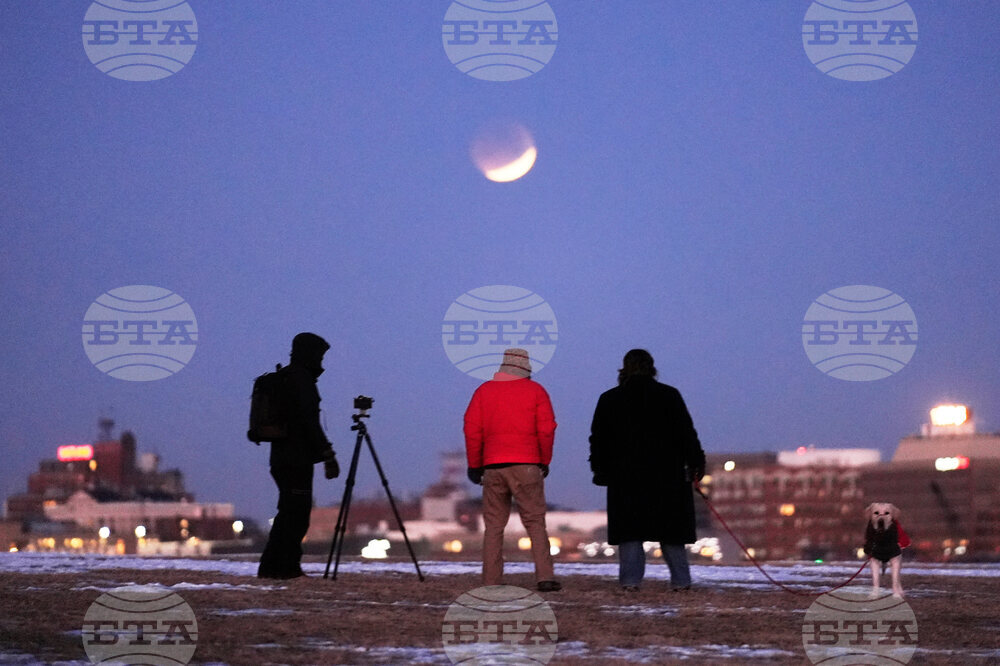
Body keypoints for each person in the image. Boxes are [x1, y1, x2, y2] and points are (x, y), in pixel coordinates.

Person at [589, 349, 706, 592]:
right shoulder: (669, 395)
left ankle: (630, 583)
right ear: (652, 367)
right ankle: (681, 582)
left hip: (625, 476)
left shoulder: (610, 399)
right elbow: (687, 434)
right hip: (668, 474)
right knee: (672, 531)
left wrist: (600, 470)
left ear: (625, 368)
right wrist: (696, 464)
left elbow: (599, 440)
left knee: (630, 532)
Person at [464, 348, 561, 592]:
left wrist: (475, 465)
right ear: (526, 368)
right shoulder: (536, 391)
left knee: (494, 526)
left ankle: (491, 579)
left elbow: (472, 430)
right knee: (535, 522)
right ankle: (545, 576)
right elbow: (547, 429)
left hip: (493, 465)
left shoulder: (484, 392)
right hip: (528, 464)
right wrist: (543, 460)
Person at [258, 332, 340, 579]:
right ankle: (284, 567)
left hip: (283, 459)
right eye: (319, 356)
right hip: (296, 460)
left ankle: (275, 566)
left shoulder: (288, 379)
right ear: (309, 354)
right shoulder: (300, 381)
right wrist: (328, 455)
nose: (321, 362)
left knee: (289, 512)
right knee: (295, 515)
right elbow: (309, 423)